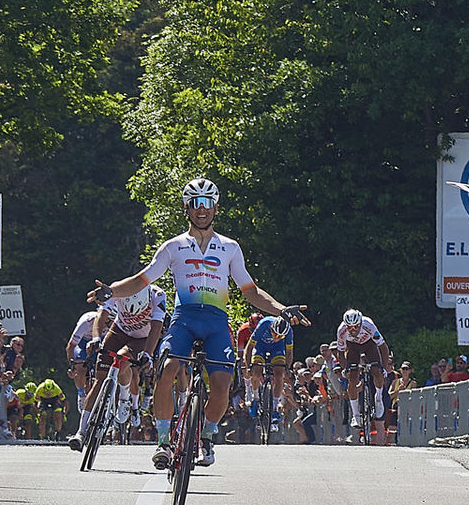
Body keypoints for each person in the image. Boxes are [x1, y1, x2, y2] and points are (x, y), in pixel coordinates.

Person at [86, 177, 308, 469]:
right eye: (195, 204)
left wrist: (280, 310)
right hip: (185, 319)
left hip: (216, 322)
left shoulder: (229, 247)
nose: (201, 210)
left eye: (207, 204)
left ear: (215, 208)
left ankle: (206, 436)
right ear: (186, 208)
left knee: (221, 385)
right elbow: (142, 280)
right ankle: (164, 442)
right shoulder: (173, 246)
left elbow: (250, 291)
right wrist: (111, 292)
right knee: (167, 371)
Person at [67, 285, 165, 451]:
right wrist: (96, 338)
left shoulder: (158, 296)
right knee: (99, 381)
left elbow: (156, 327)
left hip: (142, 338)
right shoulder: (117, 290)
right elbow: (101, 315)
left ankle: (125, 398)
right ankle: (81, 432)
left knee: (122, 359)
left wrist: (148, 353)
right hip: (118, 331)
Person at [336, 308, 392, 444]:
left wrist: (383, 368)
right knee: (353, 377)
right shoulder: (341, 331)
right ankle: (355, 414)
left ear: (360, 323)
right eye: (350, 327)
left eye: (356, 326)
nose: (353, 329)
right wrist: (345, 369)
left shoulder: (369, 325)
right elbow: (340, 352)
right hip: (353, 347)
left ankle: (378, 399)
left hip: (369, 345)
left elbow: (383, 348)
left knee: (376, 372)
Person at [242, 315, 292, 432]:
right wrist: (249, 367)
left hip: (277, 349)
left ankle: (274, 408)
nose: (276, 337)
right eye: (275, 334)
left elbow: (289, 352)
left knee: (279, 375)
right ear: (271, 327)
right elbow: (248, 348)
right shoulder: (263, 325)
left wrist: (287, 368)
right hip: (260, 347)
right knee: (256, 372)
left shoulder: (289, 331)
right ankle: (255, 397)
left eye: (280, 336)